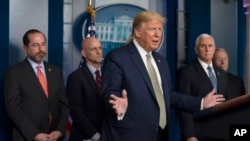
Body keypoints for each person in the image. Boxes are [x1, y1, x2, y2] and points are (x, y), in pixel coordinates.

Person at [101, 11, 225, 141]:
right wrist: (117, 106)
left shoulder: (161, 61)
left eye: (160, 29)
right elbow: (111, 93)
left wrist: (201, 102)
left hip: (159, 135)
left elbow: (168, 95)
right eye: (152, 29)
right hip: (130, 135)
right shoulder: (117, 58)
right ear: (137, 32)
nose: (158, 34)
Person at [4, 29, 70, 141]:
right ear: (25, 48)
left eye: (43, 44)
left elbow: (64, 105)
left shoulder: (55, 71)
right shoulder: (14, 73)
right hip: (27, 136)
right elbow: (13, 109)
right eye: (35, 45)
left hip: (54, 136)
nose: (41, 49)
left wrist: (59, 130)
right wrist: (34, 134)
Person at [176, 33, 228, 141]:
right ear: (196, 49)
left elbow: (226, 102)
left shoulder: (221, 73)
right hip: (198, 133)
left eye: (210, 46)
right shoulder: (186, 72)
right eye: (203, 46)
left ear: (214, 49)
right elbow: (183, 107)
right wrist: (190, 135)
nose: (207, 50)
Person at [66, 37, 105, 141]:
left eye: (100, 48)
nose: (98, 52)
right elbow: (77, 113)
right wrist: (96, 136)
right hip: (85, 136)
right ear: (84, 53)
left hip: (108, 134)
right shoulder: (75, 78)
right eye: (93, 49)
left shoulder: (110, 74)